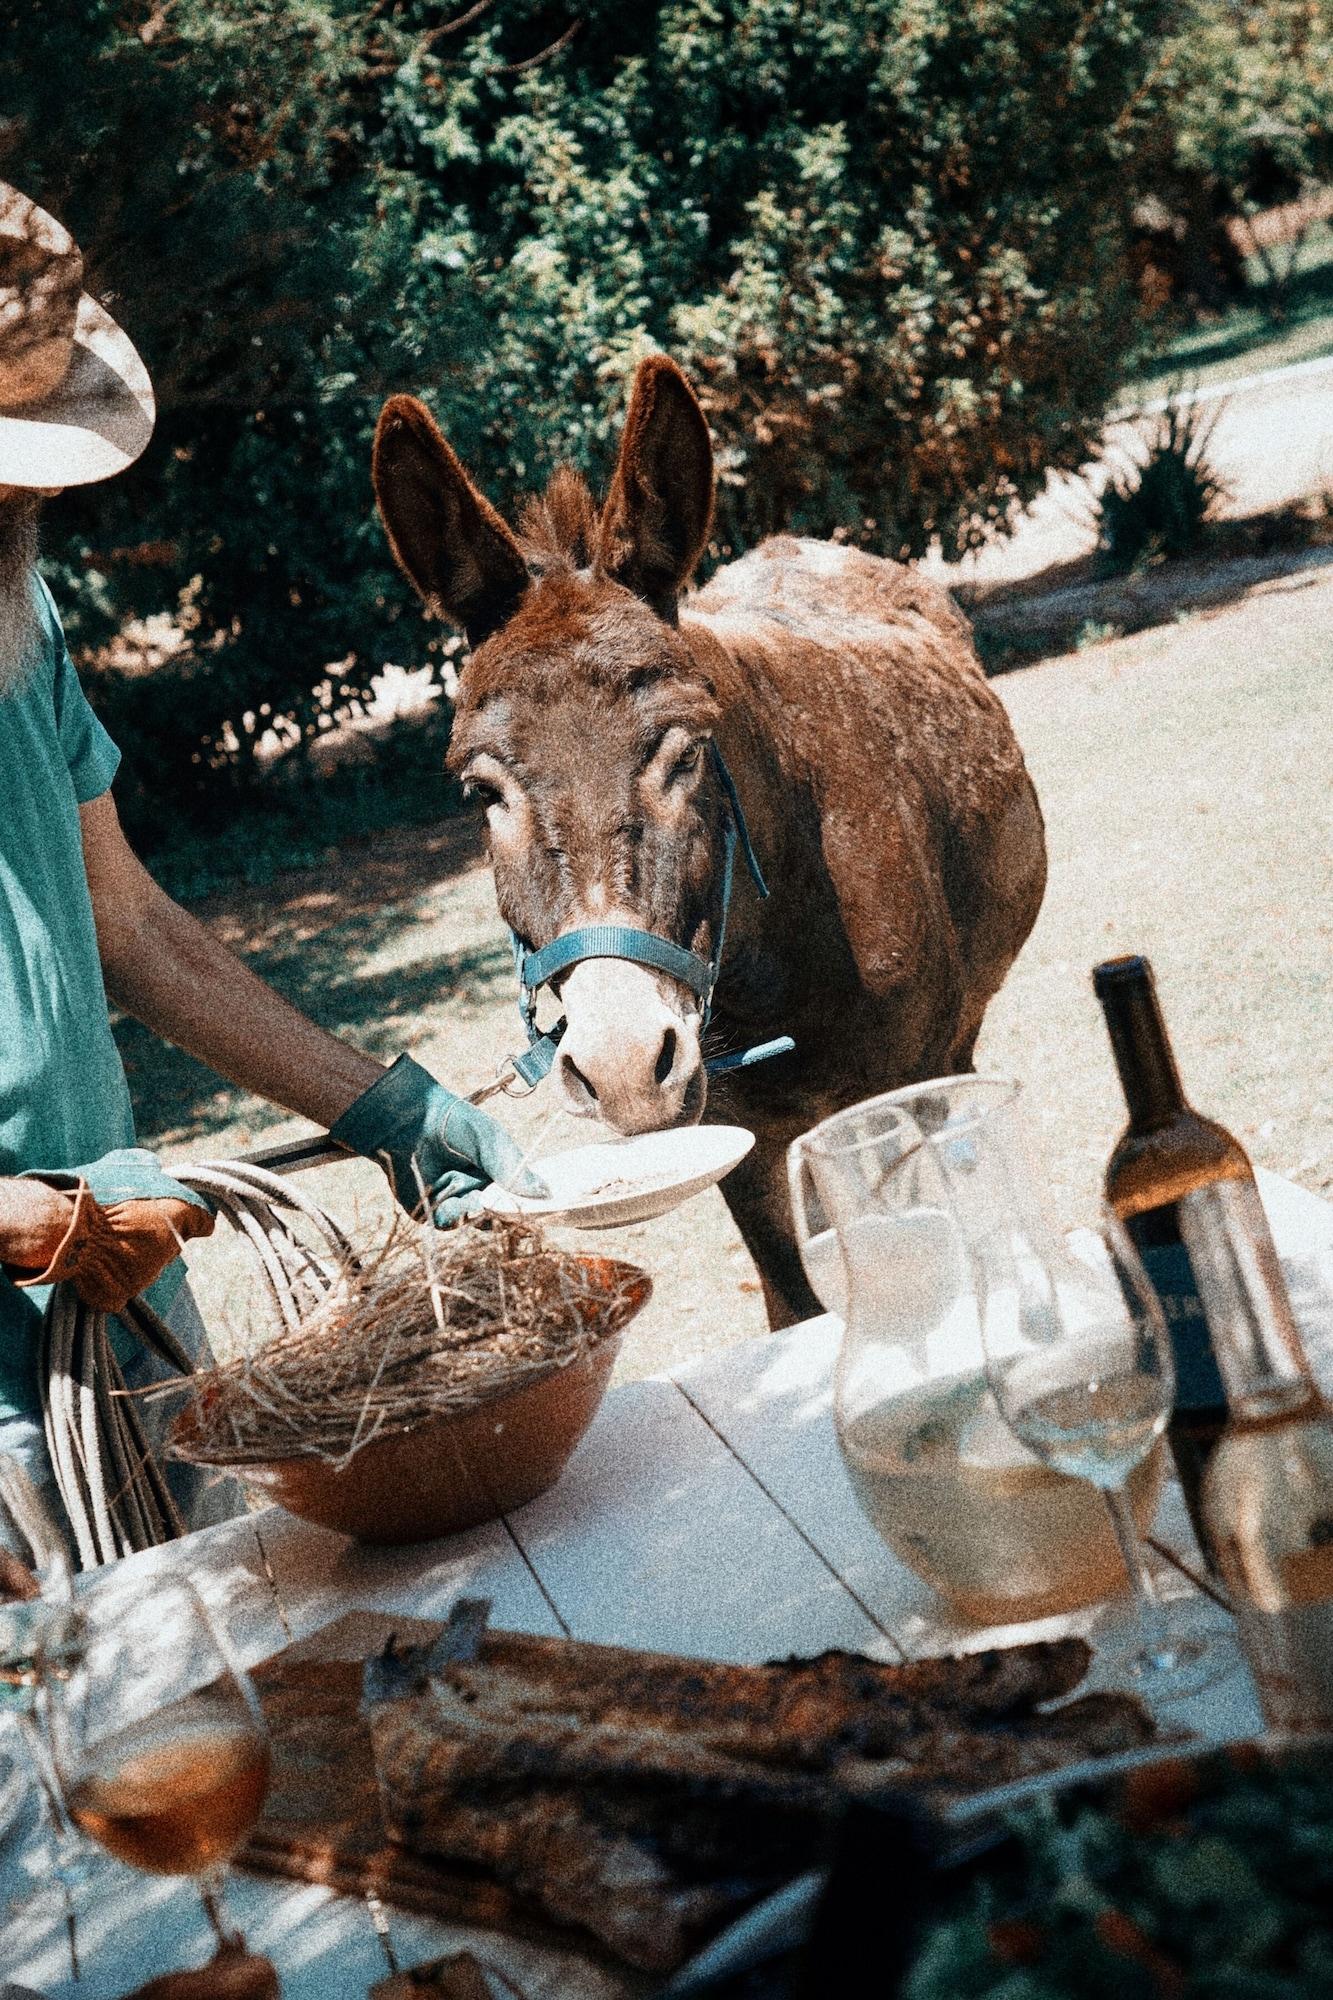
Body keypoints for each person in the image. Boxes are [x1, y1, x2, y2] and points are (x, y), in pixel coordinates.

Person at [0, 182, 536, 1565]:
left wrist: (385, 1108)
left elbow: (123, 920)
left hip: (120, 1305)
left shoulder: (16, 604)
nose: (23, 502)